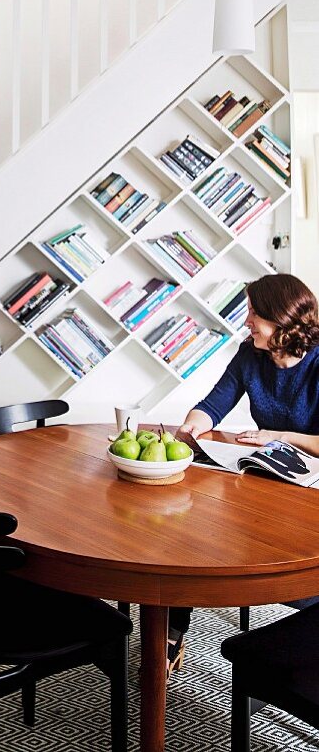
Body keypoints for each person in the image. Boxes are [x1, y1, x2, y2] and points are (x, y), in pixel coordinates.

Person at [168, 272, 319, 675]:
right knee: (185, 531)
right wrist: (193, 424)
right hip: (265, 479)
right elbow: (213, 403)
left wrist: (277, 435)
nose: (247, 321)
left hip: (312, 493)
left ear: (284, 320)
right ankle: (170, 633)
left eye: (254, 313)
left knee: (306, 586)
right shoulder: (250, 355)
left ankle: (301, 662)